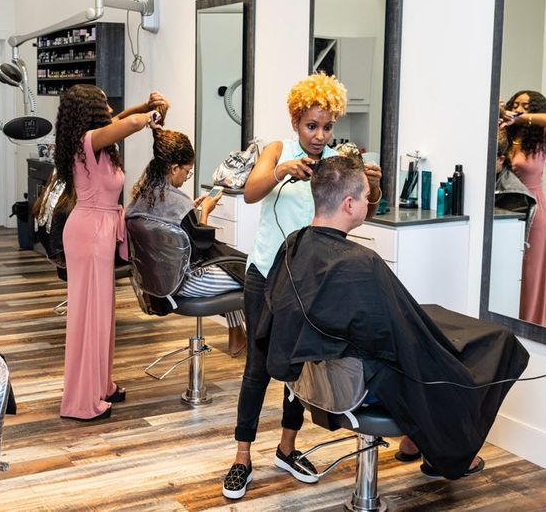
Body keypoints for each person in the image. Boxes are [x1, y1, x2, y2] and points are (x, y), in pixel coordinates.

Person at [258, 155, 530, 480]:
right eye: (364, 197)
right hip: (357, 386)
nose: (368, 201)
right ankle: (450, 454)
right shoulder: (360, 264)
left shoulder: (294, 245)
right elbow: (403, 339)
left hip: (316, 377)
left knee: (434, 325)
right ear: (348, 204)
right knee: (486, 346)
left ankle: (417, 439)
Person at [221, 72, 383, 499]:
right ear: (296, 121)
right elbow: (251, 192)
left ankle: (287, 448)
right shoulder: (277, 149)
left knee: (301, 364)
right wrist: (280, 171)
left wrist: (375, 181)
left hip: (309, 279)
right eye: (312, 126)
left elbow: (363, 203)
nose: (320, 135)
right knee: (258, 366)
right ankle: (241, 456)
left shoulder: (336, 160)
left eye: (327, 126)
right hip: (265, 274)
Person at [55, 84, 168, 421]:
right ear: (90, 109)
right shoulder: (88, 141)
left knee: (102, 313)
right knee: (88, 315)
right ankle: (81, 401)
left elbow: (122, 118)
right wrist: (151, 115)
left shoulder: (95, 141)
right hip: (89, 232)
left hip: (99, 231)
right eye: (103, 102)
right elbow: (129, 124)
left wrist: (145, 105)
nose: (109, 107)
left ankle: (100, 384)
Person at [125, 129, 248, 355]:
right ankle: (255, 346)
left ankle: (237, 336)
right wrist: (204, 213)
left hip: (157, 282)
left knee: (232, 266)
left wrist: (190, 209)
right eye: (187, 172)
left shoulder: (143, 195)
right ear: (174, 168)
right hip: (186, 282)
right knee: (250, 276)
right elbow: (200, 251)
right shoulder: (179, 203)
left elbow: (170, 231)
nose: (186, 178)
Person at [499, 90, 546, 326]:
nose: (519, 108)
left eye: (526, 106)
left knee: (530, 271)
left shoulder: (543, 138)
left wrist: (520, 117)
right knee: (507, 267)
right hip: (504, 207)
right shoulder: (507, 136)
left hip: (533, 209)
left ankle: (529, 323)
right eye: (516, 104)